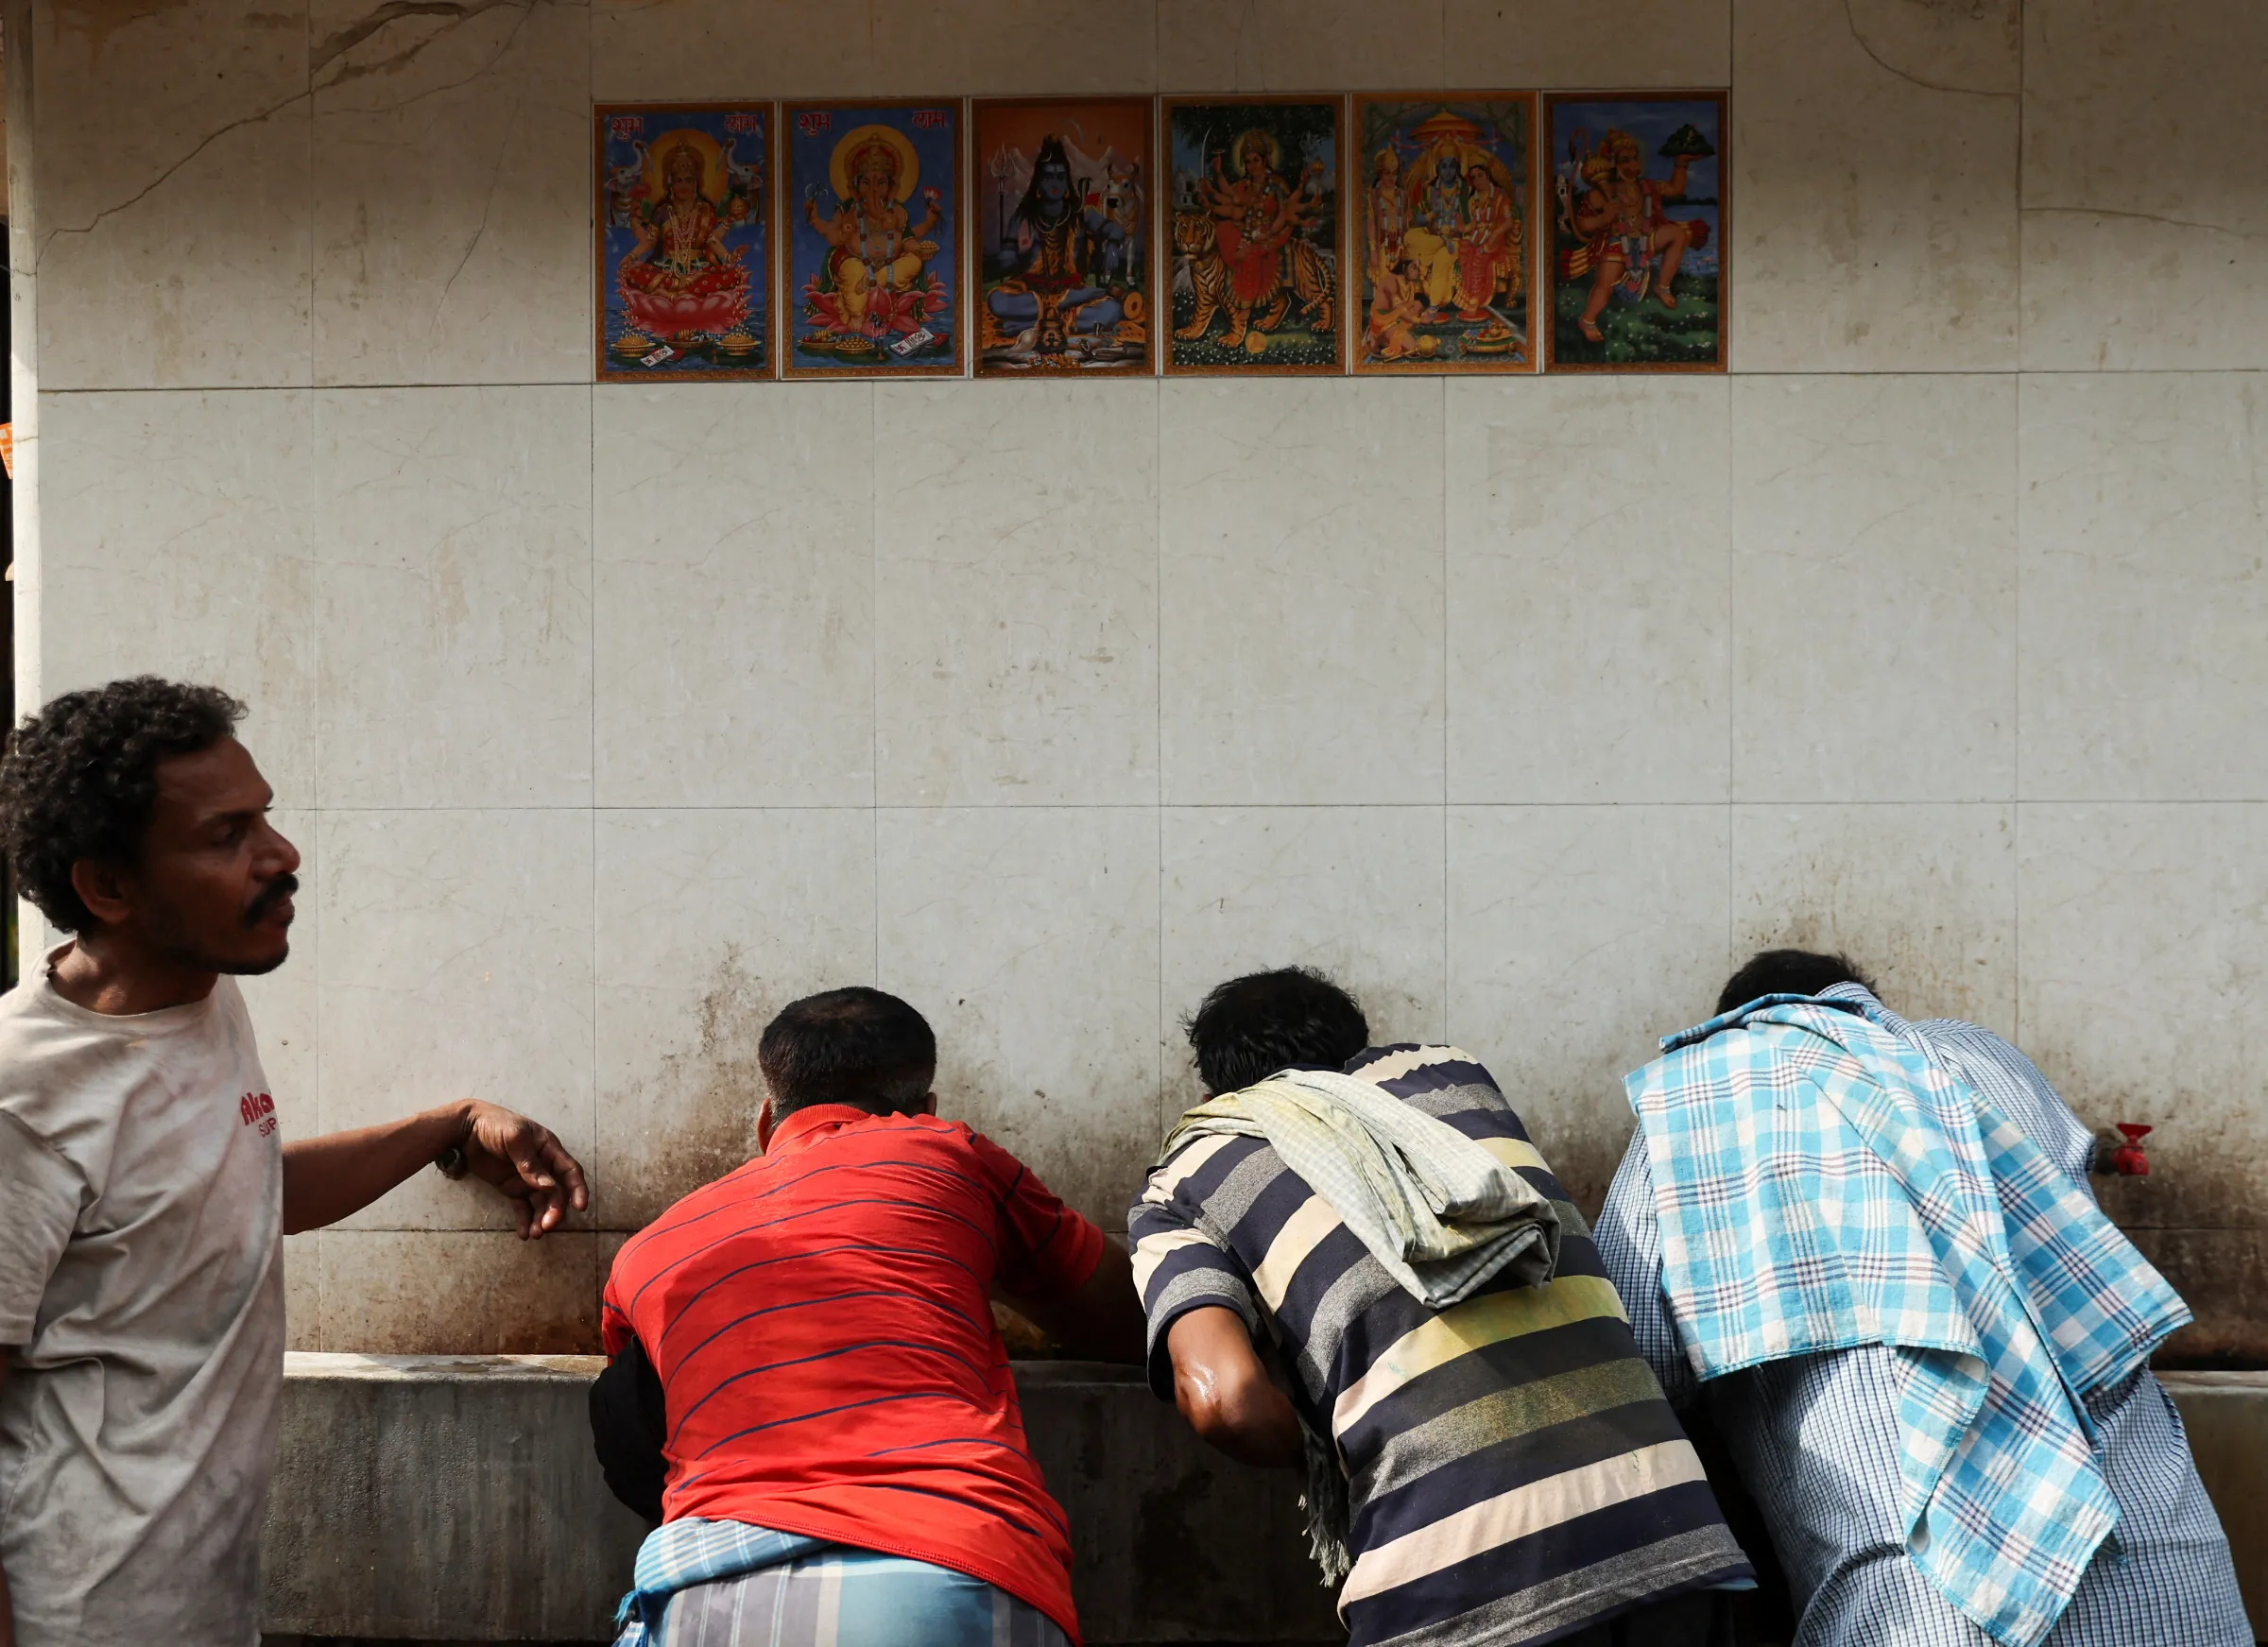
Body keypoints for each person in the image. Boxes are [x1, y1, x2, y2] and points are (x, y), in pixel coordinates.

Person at [0, 677, 589, 1647]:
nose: (282, 856)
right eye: (226, 836)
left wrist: (448, 1126)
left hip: (205, 1603)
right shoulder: (27, 1094)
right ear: (108, 885)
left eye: (265, 818)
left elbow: (233, 1191)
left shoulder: (202, 994)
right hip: (85, 1616)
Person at [1594, 948, 2251, 1647]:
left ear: (1731, 1024)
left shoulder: (1691, 1098)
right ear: (1862, 1003)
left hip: (1916, 1617)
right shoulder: (1983, 1059)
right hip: (2182, 1588)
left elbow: (1627, 1373)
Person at [1129, 968, 1754, 1647]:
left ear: (1215, 1094)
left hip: (1459, 1591)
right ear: (1357, 1047)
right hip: (1676, 1537)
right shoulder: (1453, 1076)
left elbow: (1226, 1401)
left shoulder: (1186, 1172)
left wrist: (1322, 1452)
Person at [595, 986, 1144, 1647]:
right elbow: (1133, 1322)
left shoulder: (647, 1253)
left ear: (766, 1121)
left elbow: (632, 1430)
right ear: (927, 1109)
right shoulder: (947, 1152)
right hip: (949, 1566)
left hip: (707, 1590)